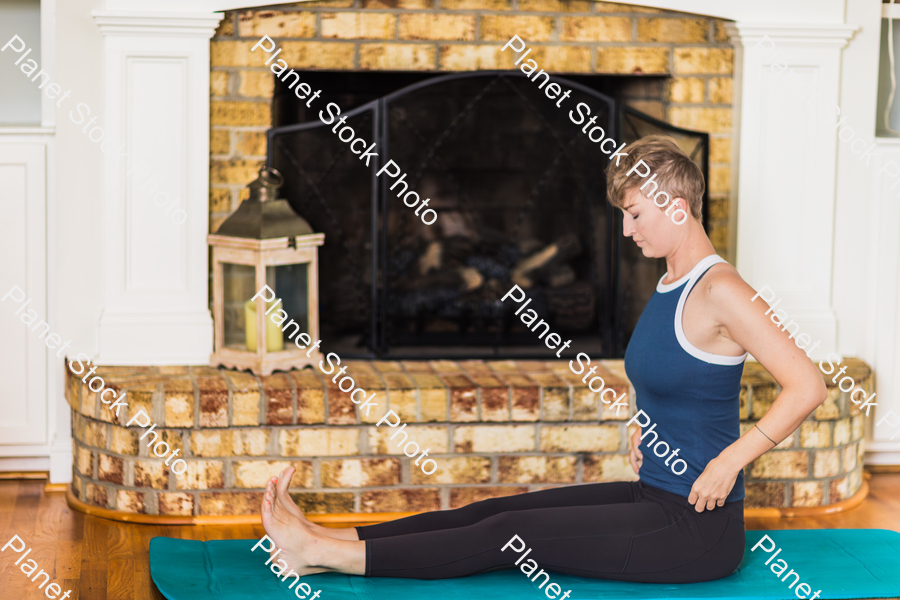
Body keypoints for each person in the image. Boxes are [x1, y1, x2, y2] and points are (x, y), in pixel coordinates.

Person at [258, 134, 828, 583]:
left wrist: (729, 462)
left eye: (634, 214)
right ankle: (334, 538)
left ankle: (322, 554)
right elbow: (678, 377)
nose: (626, 229)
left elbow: (807, 386)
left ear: (675, 208)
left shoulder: (722, 288)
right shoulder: (670, 282)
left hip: (695, 527)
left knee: (509, 532)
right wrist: (644, 426)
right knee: (496, 511)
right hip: (652, 492)